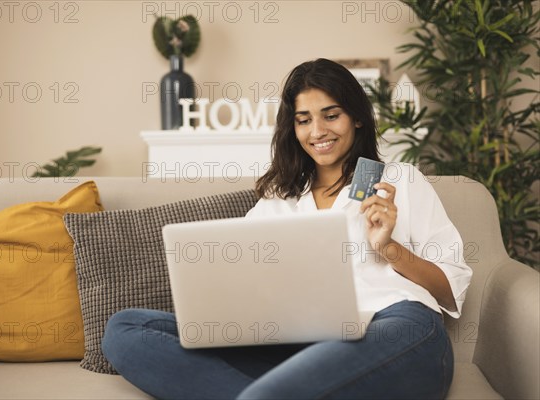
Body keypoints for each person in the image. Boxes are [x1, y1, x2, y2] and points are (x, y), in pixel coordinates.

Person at [101, 58, 473, 399]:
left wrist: (389, 247)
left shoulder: (399, 180)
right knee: (126, 328)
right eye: (304, 119)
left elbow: (449, 289)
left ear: (356, 118)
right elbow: (240, 284)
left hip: (397, 328)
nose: (318, 131)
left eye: (331, 115)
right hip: (300, 343)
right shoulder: (279, 200)